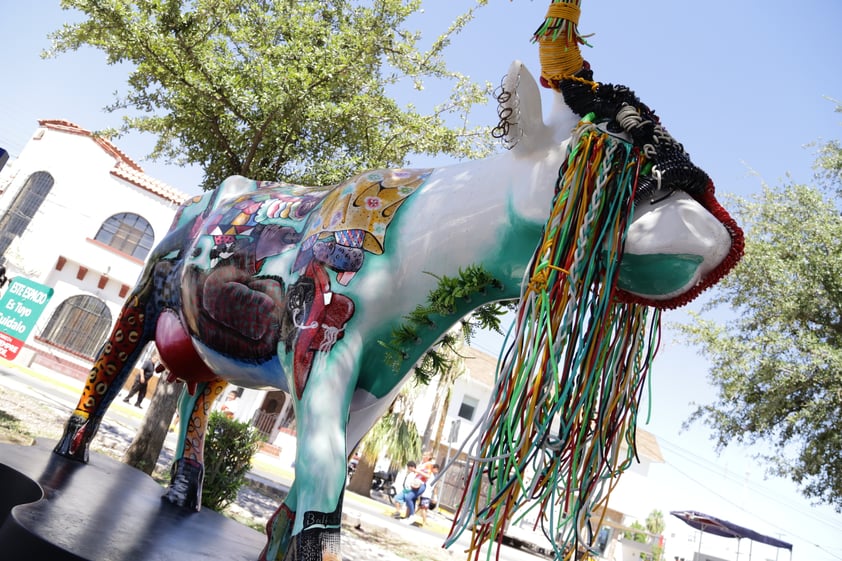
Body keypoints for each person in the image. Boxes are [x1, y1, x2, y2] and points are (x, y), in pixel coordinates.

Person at [392, 457, 440, 524]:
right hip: (418, 486)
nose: (423, 457)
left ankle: (412, 516)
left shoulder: (428, 465)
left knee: (410, 498)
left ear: (428, 458)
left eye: (425, 456)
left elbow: (428, 476)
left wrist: (417, 471)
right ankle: (409, 517)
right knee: (410, 500)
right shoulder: (423, 466)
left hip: (422, 487)